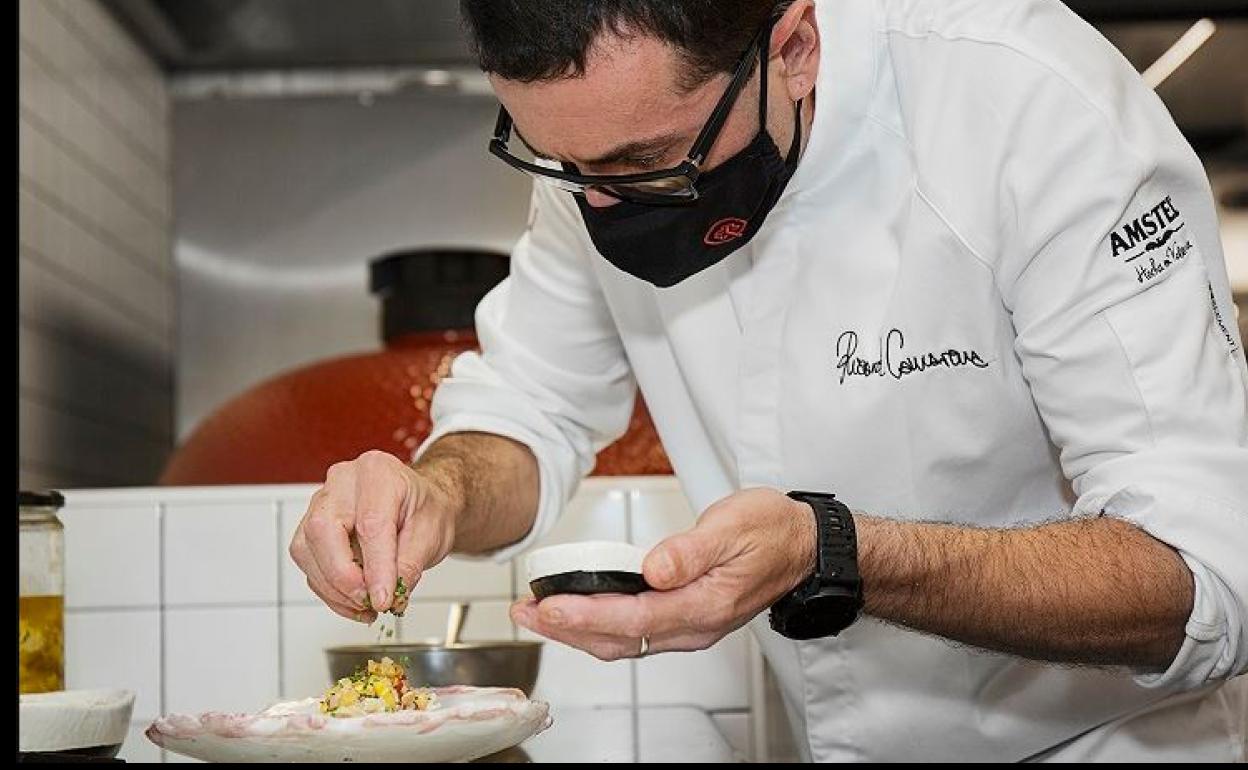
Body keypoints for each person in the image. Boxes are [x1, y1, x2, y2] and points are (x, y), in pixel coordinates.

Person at [290, 0, 1248, 760]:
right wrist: (438, 491)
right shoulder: (602, 140)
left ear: (792, 47)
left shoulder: (1031, 104)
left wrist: (832, 550)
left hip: (1108, 745)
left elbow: (1202, 575)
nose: (596, 204)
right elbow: (530, 406)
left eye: (644, 166)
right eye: (561, 164)